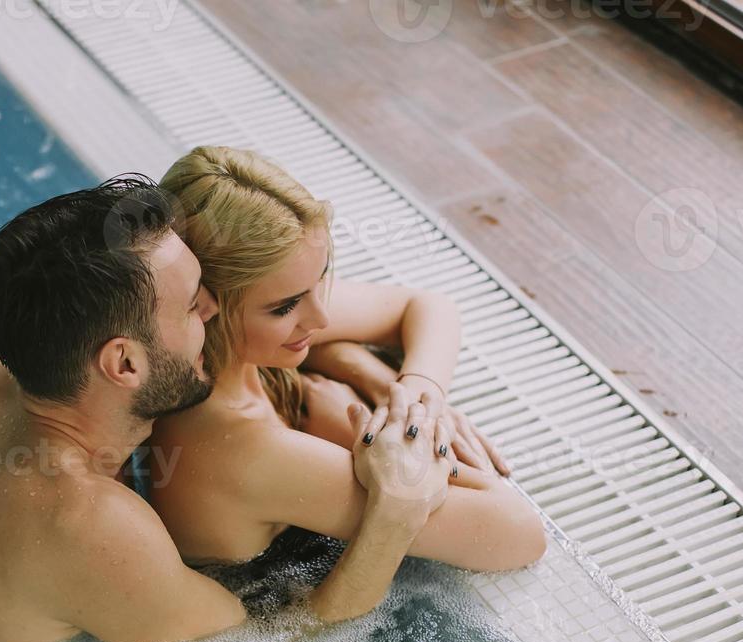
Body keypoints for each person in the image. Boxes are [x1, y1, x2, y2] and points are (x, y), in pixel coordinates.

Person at [0, 177, 454, 642]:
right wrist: (394, 517)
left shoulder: (12, 379)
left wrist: (345, 358)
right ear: (123, 362)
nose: (213, 310)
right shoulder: (91, 524)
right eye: (193, 305)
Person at [148, 146, 547, 570]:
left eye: (320, 280)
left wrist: (416, 396)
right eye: (286, 307)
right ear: (204, 306)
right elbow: (517, 533)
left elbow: (428, 306)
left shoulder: (231, 350)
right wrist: (377, 438)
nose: (320, 317)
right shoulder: (242, 447)